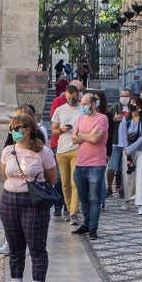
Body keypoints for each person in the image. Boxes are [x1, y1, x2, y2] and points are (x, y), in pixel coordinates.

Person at [0, 112, 59, 282]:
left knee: (36, 247)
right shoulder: (8, 151)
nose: (15, 132)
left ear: (28, 129)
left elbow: (52, 178)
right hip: (10, 200)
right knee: (15, 247)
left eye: (19, 128)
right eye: (12, 128)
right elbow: (5, 175)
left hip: (33, 202)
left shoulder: (43, 152)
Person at [71, 91, 110, 241]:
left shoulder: (102, 119)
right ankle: (86, 223)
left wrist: (82, 135)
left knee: (94, 198)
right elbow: (74, 139)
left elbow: (96, 138)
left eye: (85, 104)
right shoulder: (80, 119)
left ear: (93, 104)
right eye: (81, 104)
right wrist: (86, 135)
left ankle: (93, 228)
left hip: (96, 164)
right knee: (83, 196)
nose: (83, 106)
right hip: (81, 163)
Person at [51, 85, 84, 223]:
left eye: (73, 98)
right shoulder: (60, 110)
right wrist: (62, 129)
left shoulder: (82, 110)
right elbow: (53, 130)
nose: (71, 100)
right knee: (64, 182)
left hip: (76, 148)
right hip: (62, 150)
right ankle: (69, 207)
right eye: (68, 98)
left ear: (78, 95)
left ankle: (73, 212)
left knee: (74, 181)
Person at [122, 102, 142, 214]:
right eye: (131, 103)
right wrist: (128, 151)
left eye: (134, 103)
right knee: (127, 176)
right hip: (128, 151)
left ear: (139, 107)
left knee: (141, 177)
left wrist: (130, 148)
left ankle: (141, 204)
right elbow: (124, 136)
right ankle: (126, 200)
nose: (132, 105)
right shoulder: (125, 120)